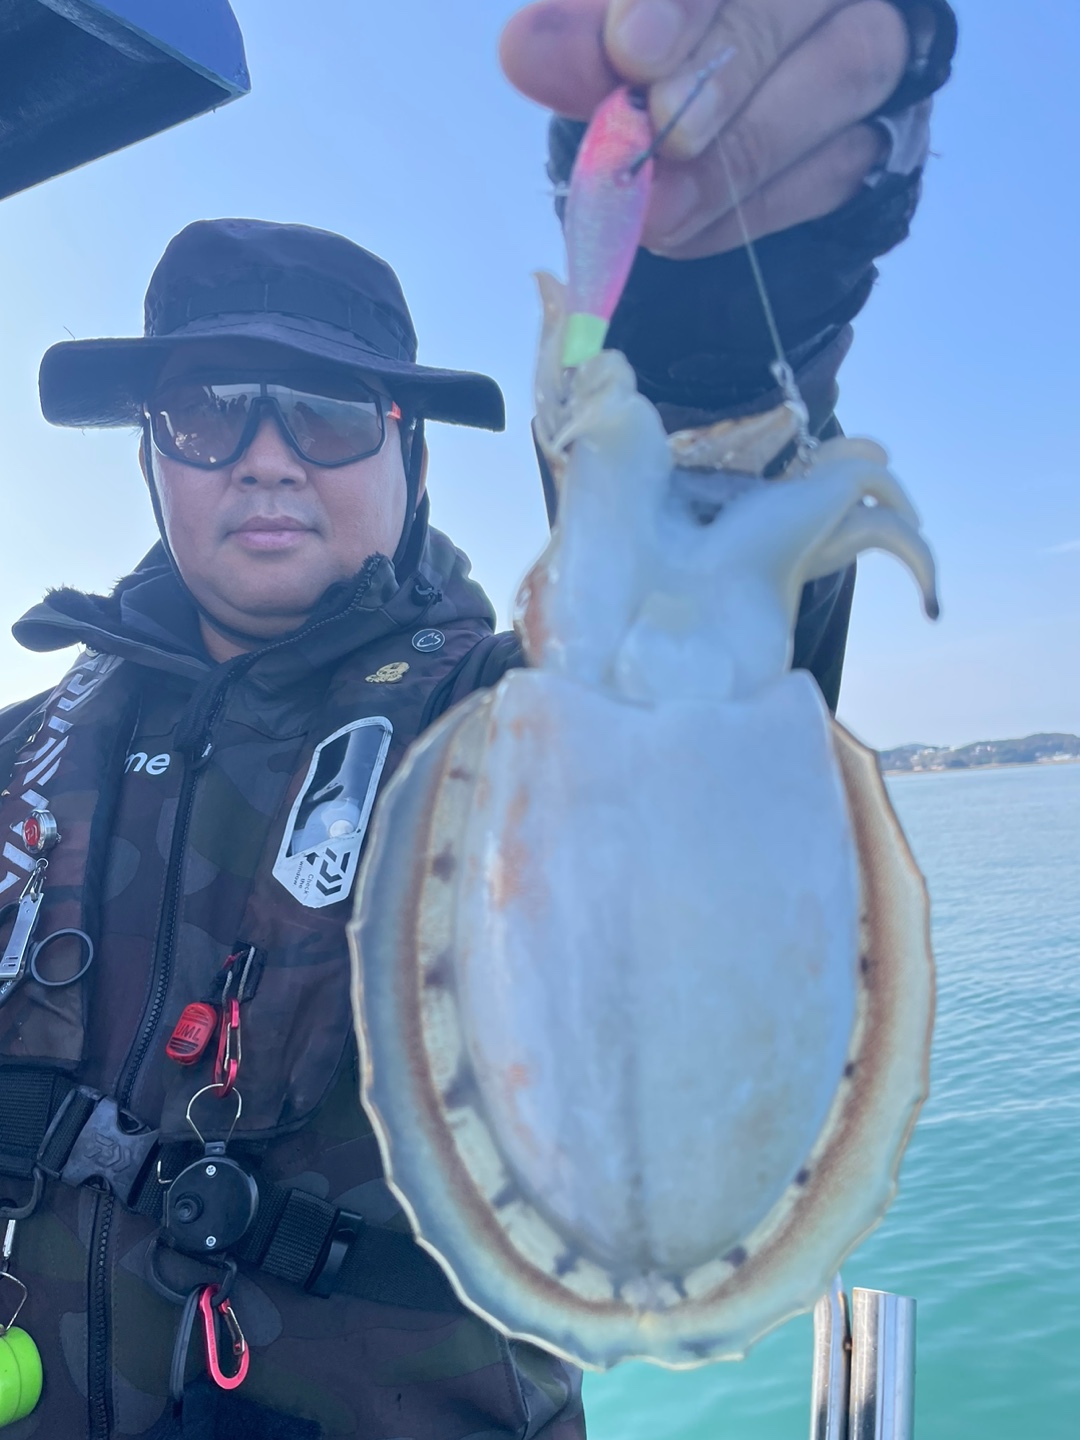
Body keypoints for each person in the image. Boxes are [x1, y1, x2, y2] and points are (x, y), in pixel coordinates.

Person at [0, 2, 957, 1436]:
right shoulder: (24, 750)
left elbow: (687, 654)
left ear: (409, 458)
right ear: (154, 456)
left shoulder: (505, 726)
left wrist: (712, 332)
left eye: (327, 416)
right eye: (211, 411)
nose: (267, 459)